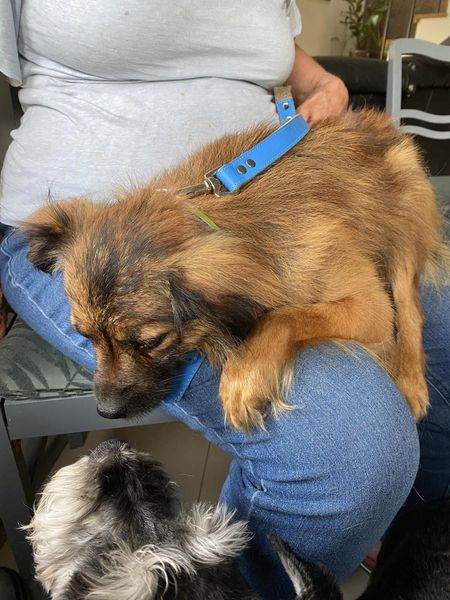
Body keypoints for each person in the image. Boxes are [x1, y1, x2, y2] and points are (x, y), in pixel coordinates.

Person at [0, 2, 448, 599]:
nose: (108, 393)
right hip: (70, 238)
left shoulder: (229, 277)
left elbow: (291, 59)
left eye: (147, 344)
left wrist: (322, 84)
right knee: (354, 445)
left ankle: (413, 540)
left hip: (251, 218)